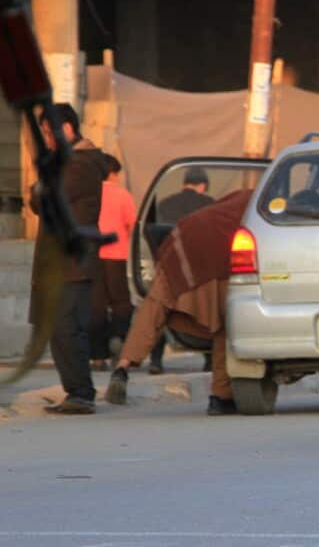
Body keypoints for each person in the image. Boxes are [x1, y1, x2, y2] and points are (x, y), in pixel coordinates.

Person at [104, 189, 253, 415]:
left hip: (184, 238)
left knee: (154, 307)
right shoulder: (265, 203)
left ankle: (122, 367)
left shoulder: (241, 196)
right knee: (226, 324)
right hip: (220, 253)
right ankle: (220, 398)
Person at [28, 103, 111, 415]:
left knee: (66, 326)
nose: (47, 140)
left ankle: (81, 392)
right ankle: (75, 391)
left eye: (49, 133)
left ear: (66, 130)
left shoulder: (81, 164)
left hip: (72, 261)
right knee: (57, 326)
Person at [148, 167, 215, 373]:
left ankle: (156, 361)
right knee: (205, 312)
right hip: (199, 267)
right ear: (203, 186)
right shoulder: (210, 204)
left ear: (183, 184)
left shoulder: (165, 203)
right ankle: (210, 360)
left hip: (169, 265)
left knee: (160, 310)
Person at [90, 154, 136, 370]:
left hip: (93, 255)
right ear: (113, 173)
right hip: (116, 255)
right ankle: (118, 336)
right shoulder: (123, 195)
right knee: (121, 302)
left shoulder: (90, 194)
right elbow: (131, 225)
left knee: (96, 305)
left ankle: (98, 356)